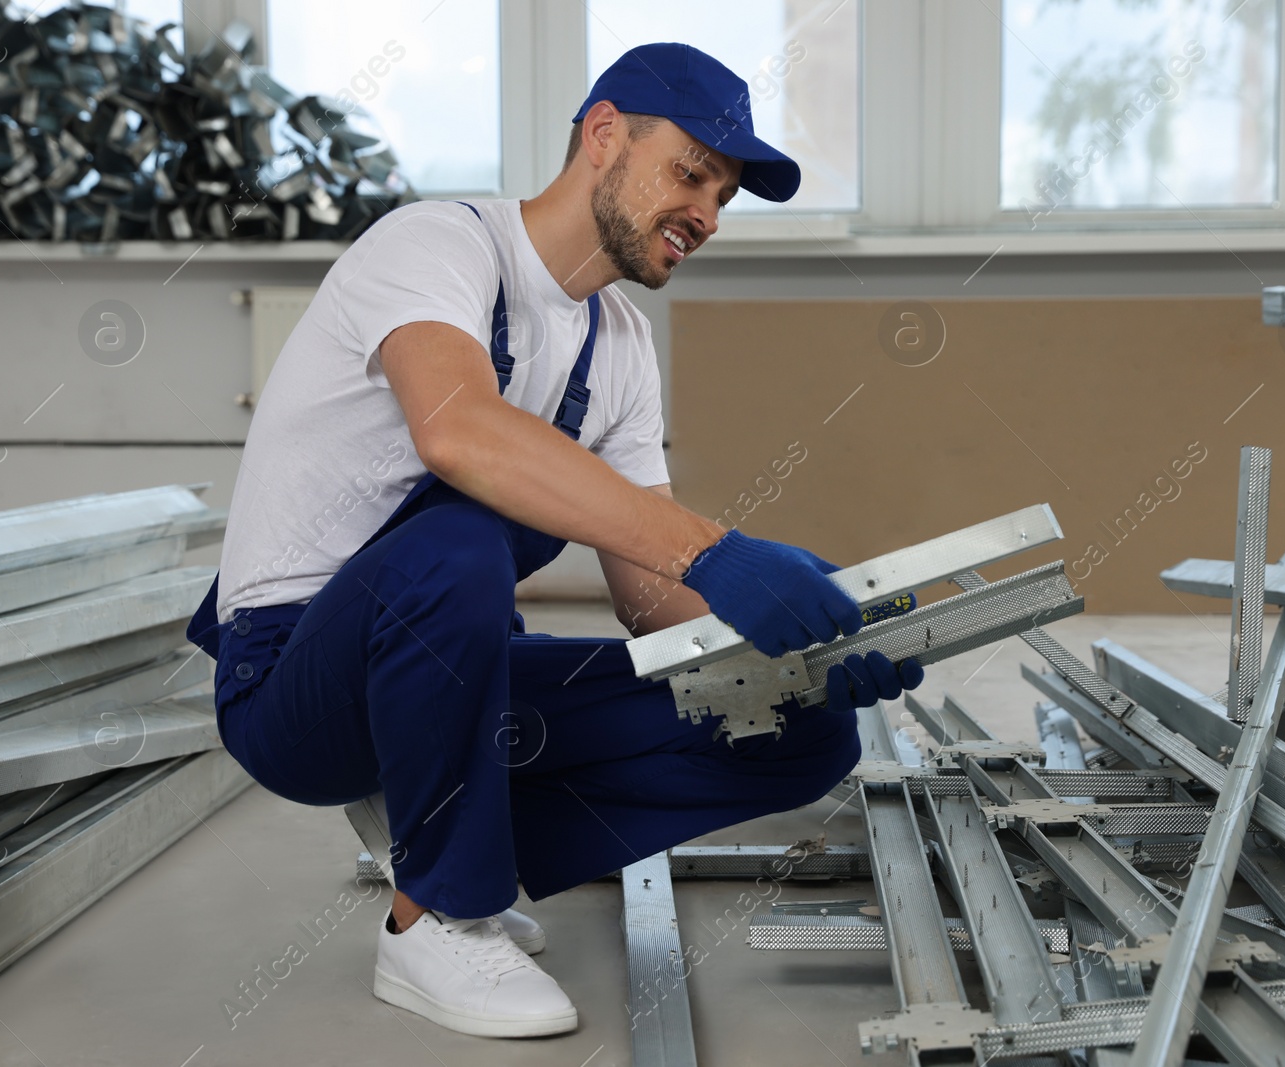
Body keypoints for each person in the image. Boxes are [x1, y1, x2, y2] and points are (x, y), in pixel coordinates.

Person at [185, 42, 925, 1040]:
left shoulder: (617, 345)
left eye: (726, 194)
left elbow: (649, 599)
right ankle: (436, 914)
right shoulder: (435, 246)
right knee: (458, 542)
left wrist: (802, 637)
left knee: (798, 731)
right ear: (604, 133)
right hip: (290, 683)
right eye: (691, 172)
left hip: (457, 670)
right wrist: (718, 548)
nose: (707, 212)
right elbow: (457, 429)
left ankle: (449, 825)